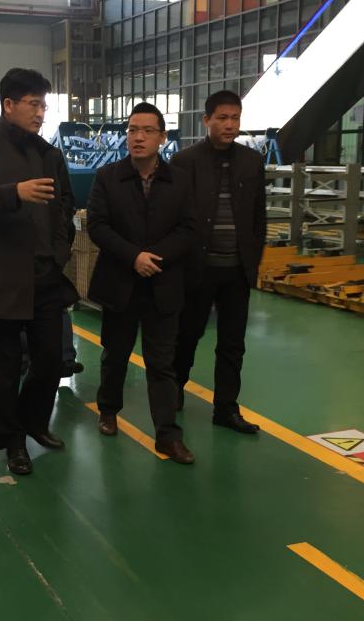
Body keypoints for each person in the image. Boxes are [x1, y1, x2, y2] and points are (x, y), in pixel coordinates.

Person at [0, 67, 78, 476]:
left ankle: (33, 421)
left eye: (44, 105)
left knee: (50, 361)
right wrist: (14, 193)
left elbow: (64, 207)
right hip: (1, 278)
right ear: (8, 105)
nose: (41, 113)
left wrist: (59, 253)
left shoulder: (49, 154)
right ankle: (13, 442)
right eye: (33, 104)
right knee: (2, 369)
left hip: (45, 275)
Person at [87, 102, 196, 465]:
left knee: (162, 364)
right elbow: (97, 225)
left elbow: (189, 228)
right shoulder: (108, 177)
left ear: (162, 137)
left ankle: (167, 436)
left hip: (163, 285)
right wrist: (134, 256)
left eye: (147, 130)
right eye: (132, 130)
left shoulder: (179, 180)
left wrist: (154, 258)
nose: (138, 137)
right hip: (120, 282)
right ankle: (108, 410)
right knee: (115, 354)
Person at [172, 90, 267, 435]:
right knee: (187, 334)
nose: (230, 125)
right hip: (198, 269)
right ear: (206, 120)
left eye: (235, 118)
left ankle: (226, 408)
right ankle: (173, 389)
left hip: (236, 270)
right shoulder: (185, 162)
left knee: (232, 343)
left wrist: (253, 259)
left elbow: (259, 216)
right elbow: (175, 216)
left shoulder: (251, 162)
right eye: (222, 118)